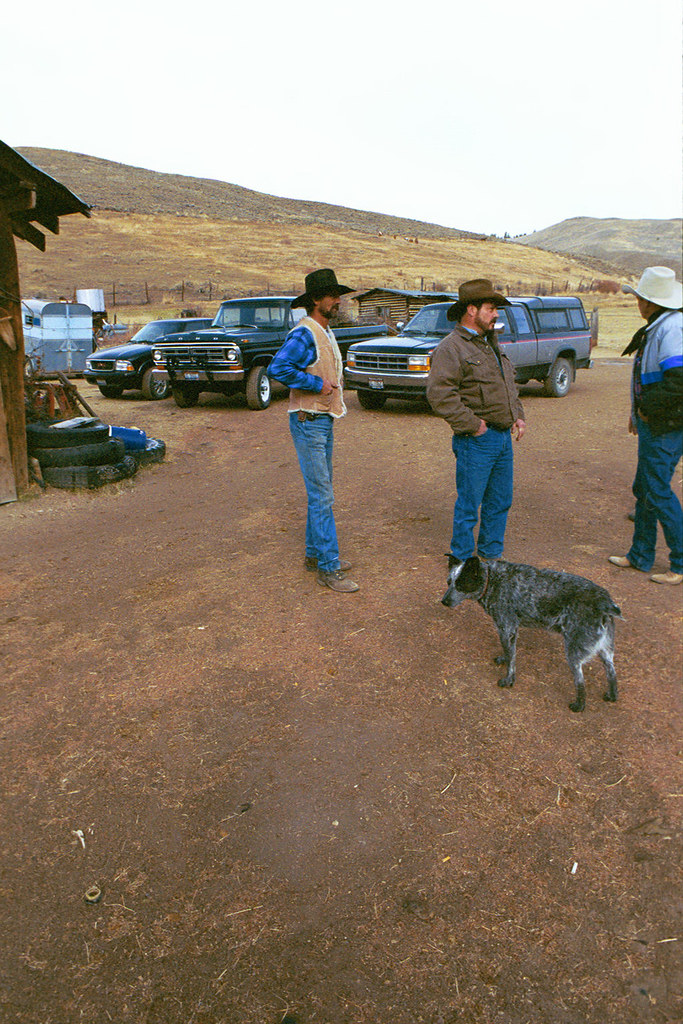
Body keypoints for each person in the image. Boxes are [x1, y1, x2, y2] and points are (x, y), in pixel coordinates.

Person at [268, 268, 359, 593]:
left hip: (320, 419)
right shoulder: (305, 333)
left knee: (320, 493)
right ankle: (329, 569)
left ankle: (315, 556)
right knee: (322, 496)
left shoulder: (323, 329)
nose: (338, 301)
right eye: (333, 296)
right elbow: (277, 368)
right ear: (316, 300)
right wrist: (316, 383)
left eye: (339, 295)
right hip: (309, 421)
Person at [426, 278, 526, 570]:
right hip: (477, 440)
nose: (496, 314)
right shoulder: (451, 348)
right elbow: (439, 394)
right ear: (471, 309)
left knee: (500, 501)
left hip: (502, 439)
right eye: (490, 308)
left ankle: (491, 559)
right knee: (469, 506)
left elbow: (508, 383)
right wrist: (473, 425)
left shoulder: (490, 344)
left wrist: (517, 414)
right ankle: (461, 563)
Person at [608, 266, 683, 585]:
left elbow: (678, 381)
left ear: (650, 302)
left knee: (657, 490)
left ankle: (679, 563)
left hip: (666, 424)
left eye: (640, 298)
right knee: (646, 488)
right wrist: (637, 411)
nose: (637, 303)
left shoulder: (673, 327)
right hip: (657, 422)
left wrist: (648, 409)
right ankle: (640, 555)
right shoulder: (661, 325)